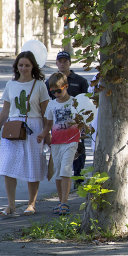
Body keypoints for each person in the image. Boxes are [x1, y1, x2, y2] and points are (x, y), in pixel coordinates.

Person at [0, 51, 50, 217]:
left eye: (27, 65)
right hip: (13, 127)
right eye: (21, 65)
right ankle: (11, 205)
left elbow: (46, 112)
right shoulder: (10, 85)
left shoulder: (39, 85)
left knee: (33, 164)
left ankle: (31, 204)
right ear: (16, 66)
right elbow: (5, 110)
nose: (24, 68)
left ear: (33, 67)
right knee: (8, 166)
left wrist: (46, 134)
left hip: (34, 127)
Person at [40, 72, 80, 216]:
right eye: (53, 91)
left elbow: (82, 119)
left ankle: (65, 202)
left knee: (66, 169)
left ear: (66, 86)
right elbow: (49, 123)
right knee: (57, 172)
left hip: (71, 141)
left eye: (59, 90)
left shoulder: (74, 102)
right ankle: (60, 200)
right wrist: (43, 135)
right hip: (56, 142)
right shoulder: (51, 104)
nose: (56, 94)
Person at [47, 51, 89, 181]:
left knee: (79, 151)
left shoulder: (80, 81)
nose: (62, 63)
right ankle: (63, 180)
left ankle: (78, 179)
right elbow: (49, 104)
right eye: (60, 61)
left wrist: (85, 123)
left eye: (65, 61)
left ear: (70, 63)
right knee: (61, 158)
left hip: (76, 123)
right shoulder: (50, 81)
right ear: (56, 63)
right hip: (59, 125)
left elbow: (86, 102)